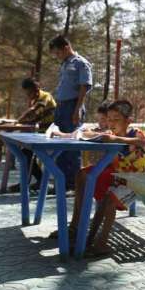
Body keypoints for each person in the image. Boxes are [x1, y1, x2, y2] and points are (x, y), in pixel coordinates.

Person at [50, 100, 145, 256]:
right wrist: (101, 134)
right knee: (83, 175)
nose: (111, 123)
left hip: (141, 179)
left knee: (108, 200)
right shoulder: (110, 133)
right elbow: (85, 133)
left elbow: (143, 143)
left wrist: (116, 139)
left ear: (128, 121)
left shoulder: (135, 133)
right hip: (119, 176)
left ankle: (100, 243)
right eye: (109, 119)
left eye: (116, 120)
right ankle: (80, 233)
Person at [49, 34, 93, 190]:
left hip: (72, 106)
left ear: (66, 47)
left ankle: (74, 183)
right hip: (61, 107)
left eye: (58, 52)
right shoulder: (65, 63)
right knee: (59, 144)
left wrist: (77, 109)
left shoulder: (81, 63)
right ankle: (61, 181)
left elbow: (84, 87)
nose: (57, 56)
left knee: (72, 146)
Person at [7, 77, 57, 192]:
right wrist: (22, 121)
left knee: (26, 153)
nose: (28, 95)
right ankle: (34, 180)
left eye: (29, 93)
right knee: (24, 153)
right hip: (42, 133)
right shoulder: (36, 99)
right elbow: (36, 118)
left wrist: (18, 121)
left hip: (51, 135)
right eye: (26, 93)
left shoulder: (45, 96)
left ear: (37, 89)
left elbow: (34, 111)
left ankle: (37, 180)